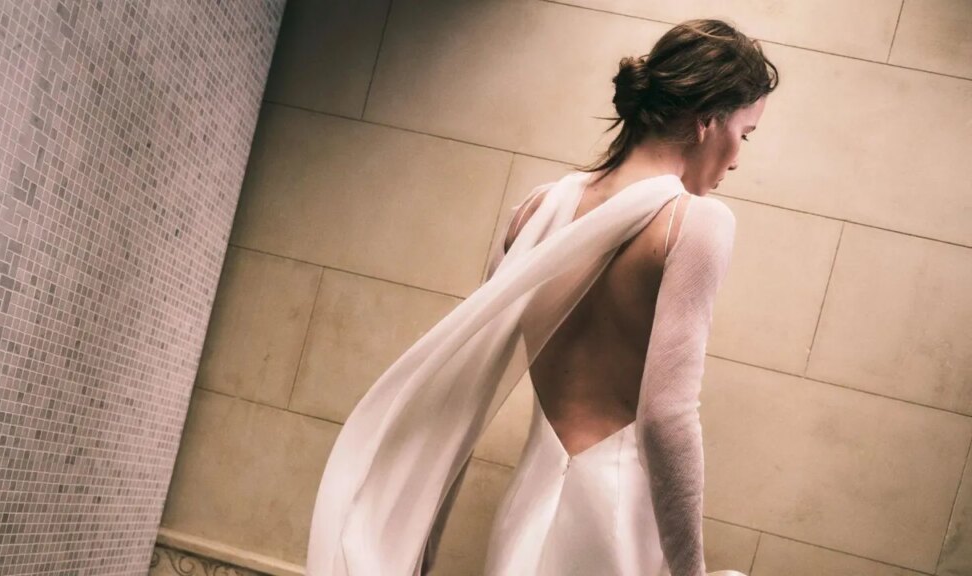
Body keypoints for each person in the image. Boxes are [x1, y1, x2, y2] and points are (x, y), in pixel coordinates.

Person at [307, 18, 778, 576]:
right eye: (744, 133)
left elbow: (463, 387)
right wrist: (690, 571)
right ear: (707, 121)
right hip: (616, 520)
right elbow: (666, 416)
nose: (737, 158)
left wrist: (422, 543)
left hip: (525, 509)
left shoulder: (537, 209)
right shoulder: (695, 224)